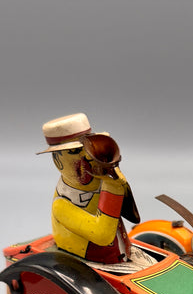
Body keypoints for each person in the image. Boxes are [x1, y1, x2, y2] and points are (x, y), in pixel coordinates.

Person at [37, 112, 139, 264]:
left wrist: (118, 178)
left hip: (124, 254)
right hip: (97, 261)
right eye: (75, 151)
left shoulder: (101, 182)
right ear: (57, 161)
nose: (88, 157)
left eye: (90, 148)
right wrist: (112, 188)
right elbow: (103, 235)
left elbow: (132, 215)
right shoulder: (62, 205)